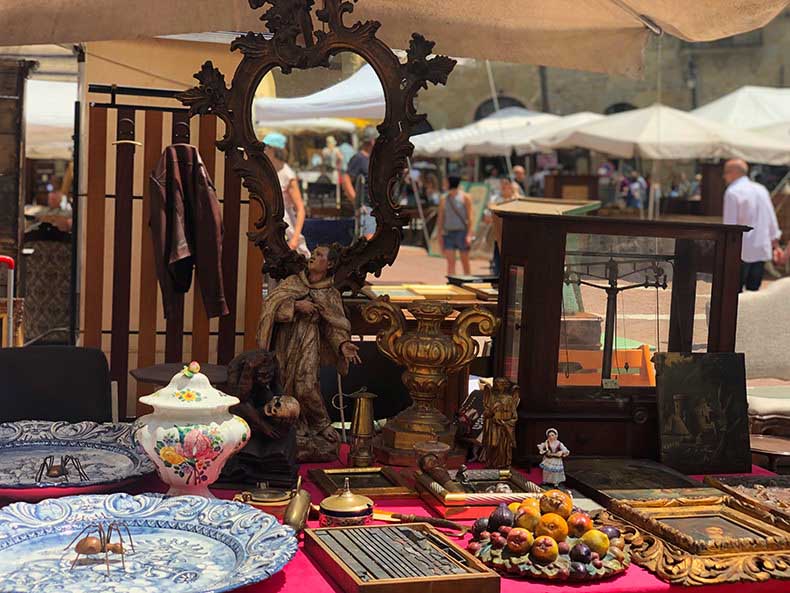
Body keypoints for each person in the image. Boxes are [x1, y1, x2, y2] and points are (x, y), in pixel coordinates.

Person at [256, 244, 361, 462]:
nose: (313, 256)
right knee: (283, 384)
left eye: (320, 255)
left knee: (306, 385)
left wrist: (342, 345)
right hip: (285, 342)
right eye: (313, 253)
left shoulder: (330, 294)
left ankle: (321, 424)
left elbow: (334, 325)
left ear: (329, 264)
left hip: (309, 341)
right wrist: (295, 305)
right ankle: (292, 427)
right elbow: (270, 307)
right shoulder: (292, 283)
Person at [722, 159, 782, 291]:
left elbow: (730, 226)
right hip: (760, 247)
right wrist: (775, 243)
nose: (724, 176)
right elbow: (771, 218)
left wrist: (725, 250)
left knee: (733, 293)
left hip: (740, 249)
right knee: (754, 293)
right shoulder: (761, 189)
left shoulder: (733, 192)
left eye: (725, 172)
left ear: (733, 173)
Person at [262, 132, 309, 258]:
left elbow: (300, 210)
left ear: (274, 149)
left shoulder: (288, 174)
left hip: (287, 228)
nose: (264, 150)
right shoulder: (265, 171)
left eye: (266, 147)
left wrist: (294, 239)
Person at [342, 126, 377, 239]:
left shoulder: (374, 158)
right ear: (372, 141)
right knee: (369, 238)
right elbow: (346, 180)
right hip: (367, 207)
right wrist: (357, 203)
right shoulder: (358, 158)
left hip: (377, 207)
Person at [437, 176, 473, 275]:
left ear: (451, 183)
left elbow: (470, 217)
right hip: (448, 233)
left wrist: (469, 234)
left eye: (446, 182)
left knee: (464, 261)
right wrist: (439, 234)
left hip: (462, 232)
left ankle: (468, 282)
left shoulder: (465, 197)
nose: (444, 184)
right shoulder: (444, 198)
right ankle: (451, 283)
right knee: (450, 262)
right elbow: (440, 218)